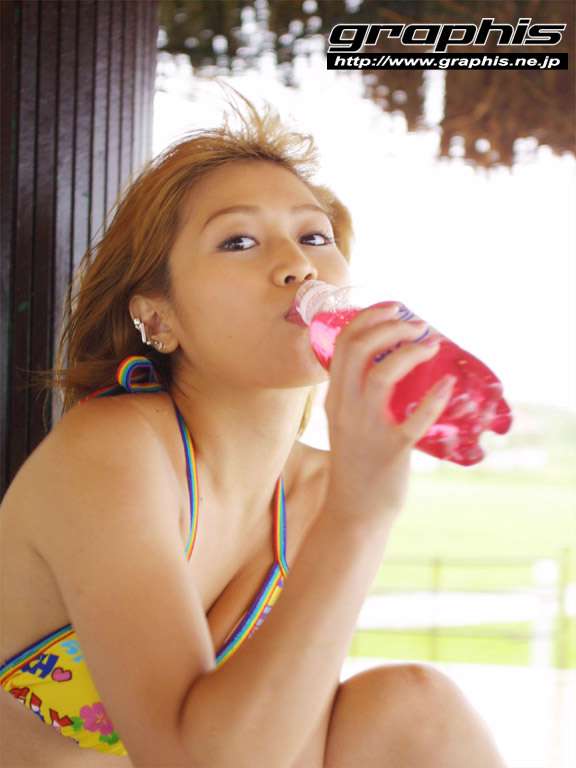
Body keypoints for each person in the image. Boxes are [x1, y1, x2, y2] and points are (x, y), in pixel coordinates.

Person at [0, 86, 507, 767]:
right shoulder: (114, 450)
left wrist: (353, 507)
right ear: (158, 317)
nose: (298, 264)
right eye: (238, 240)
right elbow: (189, 758)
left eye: (314, 236)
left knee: (415, 705)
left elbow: (279, 748)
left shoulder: (321, 491)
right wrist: (359, 517)